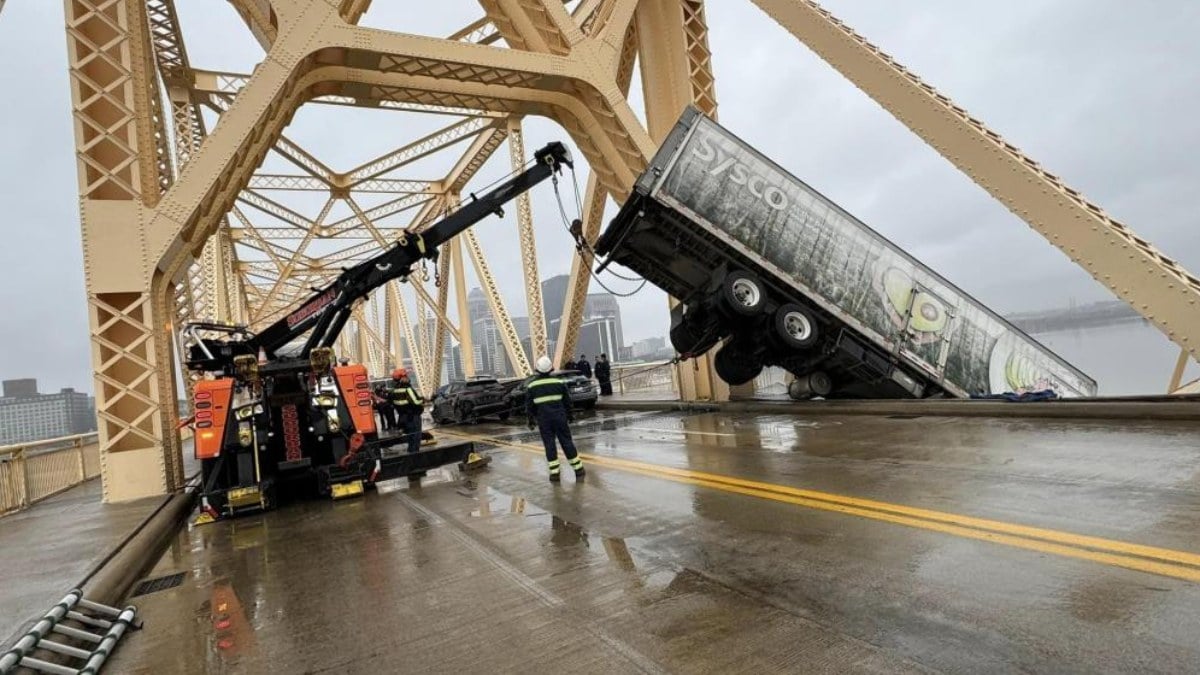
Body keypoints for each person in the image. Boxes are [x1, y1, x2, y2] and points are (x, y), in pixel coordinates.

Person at [526, 355, 585, 482]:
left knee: (549, 445)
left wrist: (531, 420)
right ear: (551, 368)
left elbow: (529, 406)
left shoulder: (532, 386)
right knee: (566, 442)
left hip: (544, 420)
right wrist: (570, 415)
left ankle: (554, 473)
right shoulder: (558, 382)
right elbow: (567, 402)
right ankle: (578, 469)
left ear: (537, 369)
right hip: (560, 417)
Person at [389, 368, 424, 454]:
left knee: (410, 437)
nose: (407, 378)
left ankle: (410, 453)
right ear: (401, 378)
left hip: (402, 417)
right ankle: (414, 456)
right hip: (413, 417)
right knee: (416, 437)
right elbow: (416, 401)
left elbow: (392, 403)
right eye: (405, 376)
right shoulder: (407, 389)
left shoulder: (394, 390)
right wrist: (423, 400)